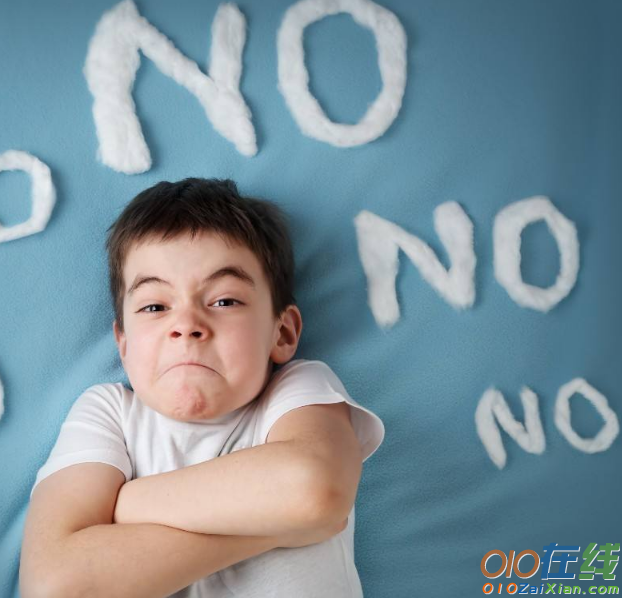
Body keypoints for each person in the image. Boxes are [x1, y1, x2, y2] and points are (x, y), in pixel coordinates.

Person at [19, 178, 385, 598]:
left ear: (282, 333)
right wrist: (280, 522)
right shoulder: (109, 413)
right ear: (124, 344)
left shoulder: (297, 389)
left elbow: (316, 489)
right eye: (155, 306)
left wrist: (125, 504)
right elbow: (56, 585)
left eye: (224, 301)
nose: (187, 325)